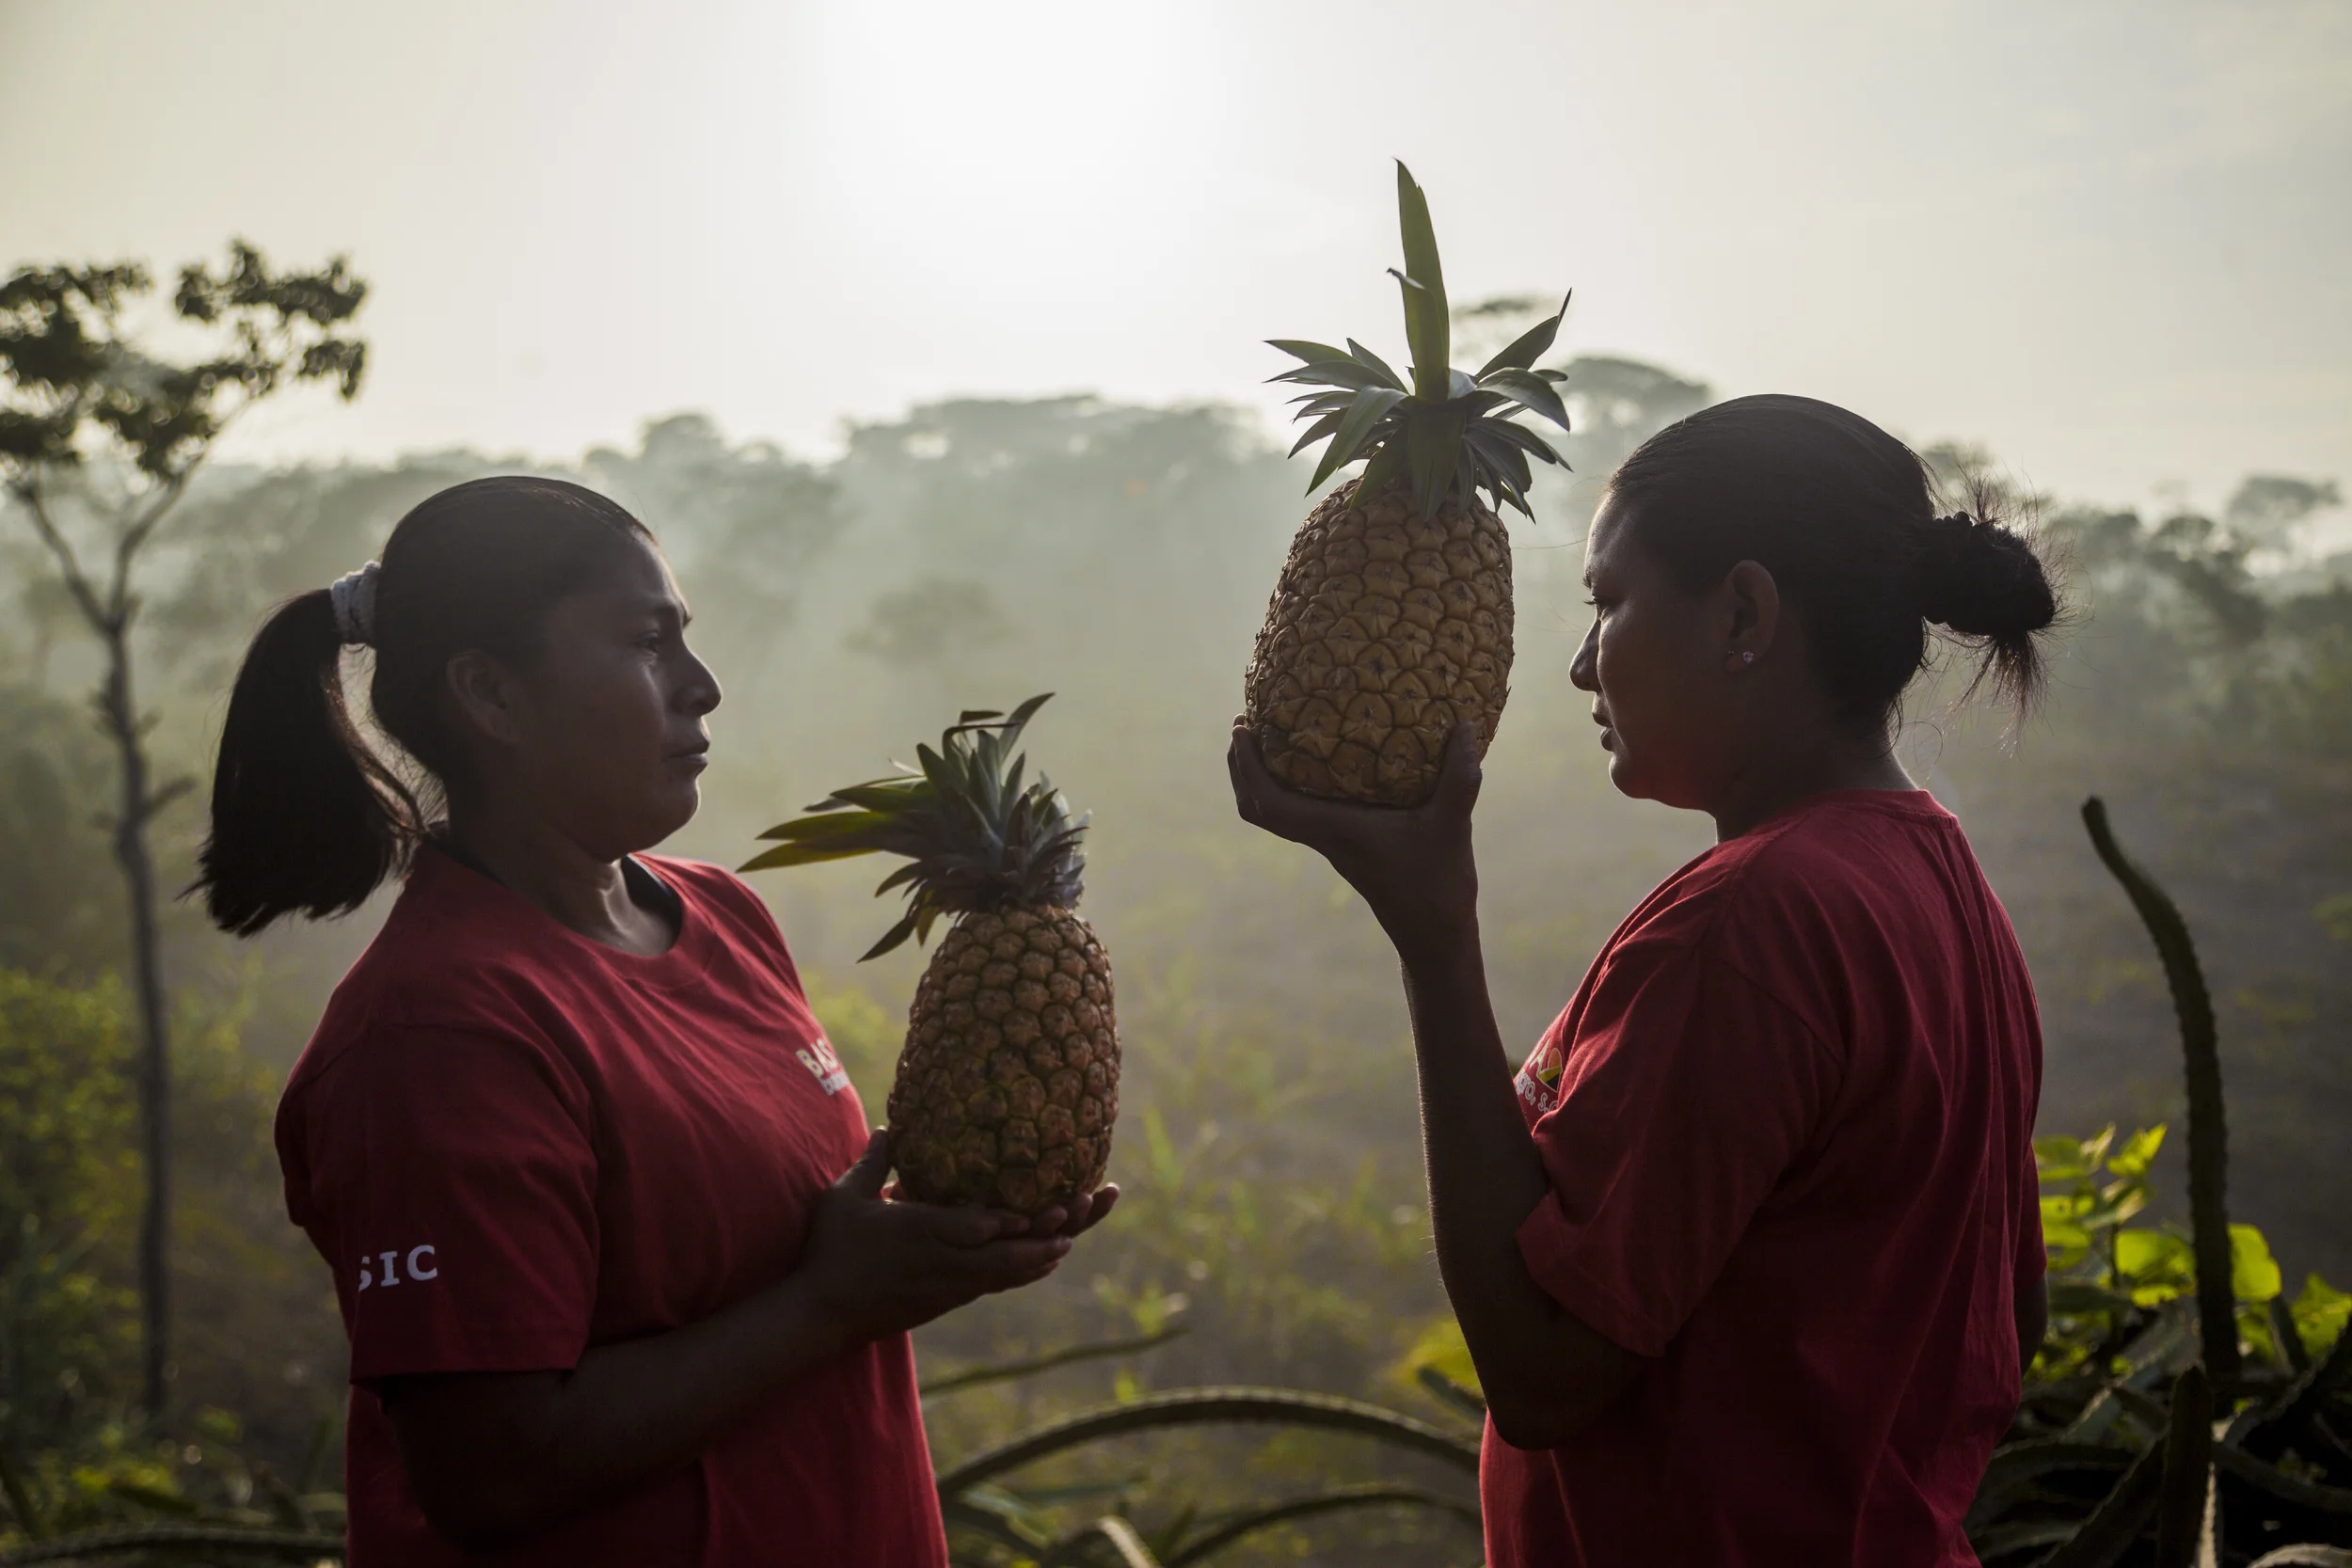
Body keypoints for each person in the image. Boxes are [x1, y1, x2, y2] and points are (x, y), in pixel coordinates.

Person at [197, 476, 1114, 1566]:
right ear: (492, 693)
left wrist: (936, 1235)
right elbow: (486, 1468)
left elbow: (744, 1258)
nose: (703, 685)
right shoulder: (437, 1031)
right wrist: (832, 1299)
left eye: (688, 638)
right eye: (646, 642)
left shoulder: (724, 914)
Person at [1229, 395, 2058, 1566]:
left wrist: (1433, 931)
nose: (1579, 665)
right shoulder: (1947, 889)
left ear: (1741, 612)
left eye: (1608, 601)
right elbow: (2010, 1318)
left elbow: (1542, 1372)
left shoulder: (1748, 927)